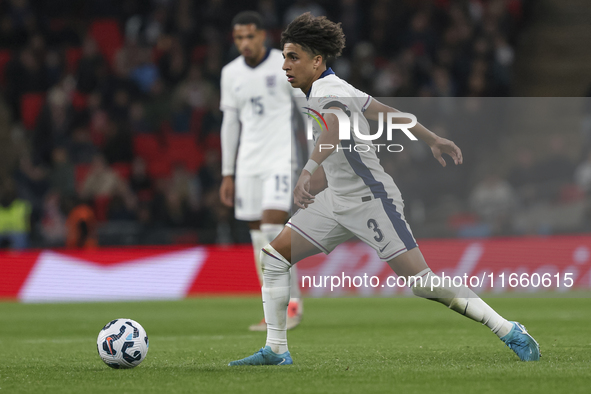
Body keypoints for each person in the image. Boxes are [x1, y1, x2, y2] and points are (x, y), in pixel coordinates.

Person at [229, 13, 540, 366]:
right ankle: (276, 350)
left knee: (423, 284)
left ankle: (509, 328)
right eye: (284, 56)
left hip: (371, 200)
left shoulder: (327, 92)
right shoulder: (336, 86)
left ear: (317, 61)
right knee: (274, 258)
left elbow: (333, 129)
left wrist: (308, 171)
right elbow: (387, 112)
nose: (284, 64)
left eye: (293, 57)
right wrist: (432, 138)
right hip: (336, 201)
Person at [219, 11, 304, 331]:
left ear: (264, 36)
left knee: (271, 230)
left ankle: (292, 304)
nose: (245, 43)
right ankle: (274, 306)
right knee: (258, 236)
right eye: (239, 37)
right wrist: (228, 172)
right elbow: (230, 124)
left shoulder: (284, 65)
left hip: (281, 159)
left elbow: (306, 110)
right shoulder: (230, 73)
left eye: (250, 36)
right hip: (248, 164)